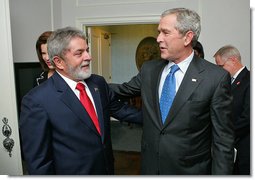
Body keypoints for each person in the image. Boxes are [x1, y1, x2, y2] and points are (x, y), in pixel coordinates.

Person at [110, 8, 234, 175]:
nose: (158, 38)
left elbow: (222, 141)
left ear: (187, 37)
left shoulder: (215, 78)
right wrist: (87, 82)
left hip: (190, 171)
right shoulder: (149, 70)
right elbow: (122, 90)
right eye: (158, 32)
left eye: (165, 32)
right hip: (150, 168)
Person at [19, 26, 141, 175]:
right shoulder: (36, 100)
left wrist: (162, 120)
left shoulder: (98, 83)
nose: (88, 57)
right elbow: (38, 161)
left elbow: (121, 110)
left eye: (87, 50)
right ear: (58, 62)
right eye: (79, 53)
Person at [214, 45, 250, 175]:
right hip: (231, 147)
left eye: (221, 66)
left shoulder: (249, 80)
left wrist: (226, 135)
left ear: (233, 60)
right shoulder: (227, 82)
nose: (219, 70)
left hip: (245, 146)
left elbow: (248, 117)